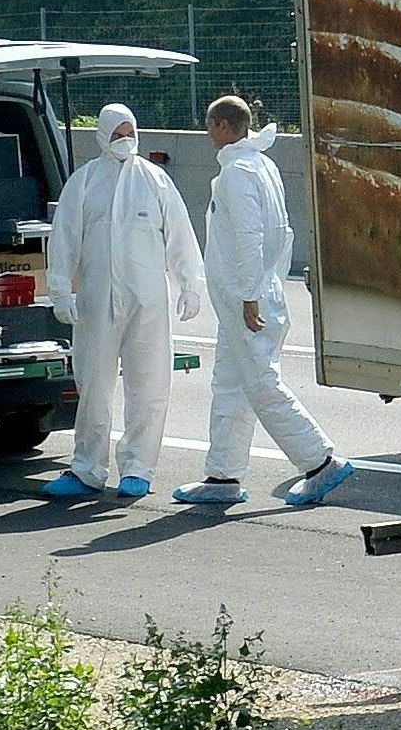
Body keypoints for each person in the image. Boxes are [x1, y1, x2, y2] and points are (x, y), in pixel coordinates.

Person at [174, 96, 355, 512]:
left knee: (261, 385)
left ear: (221, 127)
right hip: (247, 298)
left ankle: (320, 461)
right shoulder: (260, 164)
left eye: (208, 128)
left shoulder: (238, 173)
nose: (207, 136)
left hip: (248, 300)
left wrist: (249, 295)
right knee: (230, 385)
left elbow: (249, 238)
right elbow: (280, 234)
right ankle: (223, 475)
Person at [43, 102, 202, 501]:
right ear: (101, 135)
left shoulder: (155, 180)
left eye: (130, 133)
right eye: (117, 134)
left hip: (148, 303)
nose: (124, 140)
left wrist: (190, 284)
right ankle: (86, 468)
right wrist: (61, 289)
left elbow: (180, 236)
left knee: (148, 385)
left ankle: (138, 467)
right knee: (93, 384)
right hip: (97, 301)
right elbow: (63, 239)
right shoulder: (83, 182)